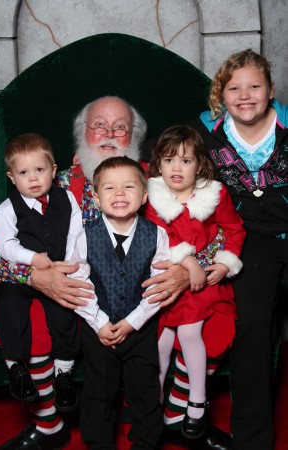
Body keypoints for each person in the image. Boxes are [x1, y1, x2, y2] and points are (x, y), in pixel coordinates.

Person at [0, 96, 191, 450]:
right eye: (99, 126)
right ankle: (48, 422)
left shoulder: (156, 181)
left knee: (192, 314)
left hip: (137, 299)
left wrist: (188, 270)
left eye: (120, 127)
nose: (109, 134)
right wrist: (36, 277)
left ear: (135, 137)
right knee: (31, 316)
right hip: (82, 300)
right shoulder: (53, 180)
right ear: (82, 135)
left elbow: (200, 230)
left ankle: (179, 416)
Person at [190, 49, 288, 450]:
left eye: (254, 86)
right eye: (234, 88)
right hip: (248, 242)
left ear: (269, 90)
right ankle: (252, 440)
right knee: (251, 327)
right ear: (221, 93)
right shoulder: (204, 133)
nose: (245, 95)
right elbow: (170, 169)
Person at [144, 125, 245, 440]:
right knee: (158, 343)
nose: (177, 168)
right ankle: (154, 406)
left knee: (190, 331)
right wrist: (188, 262)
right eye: (169, 160)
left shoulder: (214, 194)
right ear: (158, 163)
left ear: (200, 165)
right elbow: (157, 240)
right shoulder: (153, 196)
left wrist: (224, 263)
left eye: (186, 161)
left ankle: (196, 402)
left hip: (206, 287)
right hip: (166, 281)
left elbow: (234, 229)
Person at [78, 156, 170, 449]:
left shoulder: (157, 235)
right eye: (109, 188)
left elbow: (159, 288)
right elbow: (78, 286)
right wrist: (100, 323)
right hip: (97, 329)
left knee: (145, 391)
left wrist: (132, 323)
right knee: (98, 394)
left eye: (128, 187)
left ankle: (146, 442)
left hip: (140, 329)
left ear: (144, 196)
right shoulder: (82, 235)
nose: (119, 194)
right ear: (95, 196)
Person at [0, 133, 85, 410]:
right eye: (24, 172)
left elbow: (75, 234)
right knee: (10, 305)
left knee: (63, 311)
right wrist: (33, 259)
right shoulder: (7, 209)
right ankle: (15, 367)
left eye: (40, 170)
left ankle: (64, 372)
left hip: (59, 270)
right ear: (11, 177)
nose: (33, 178)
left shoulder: (67, 198)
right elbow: (4, 246)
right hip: (22, 275)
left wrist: (68, 265)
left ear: (53, 171)